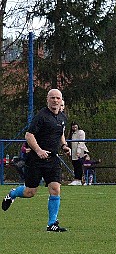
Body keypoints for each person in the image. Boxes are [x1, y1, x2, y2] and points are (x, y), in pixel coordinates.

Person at [2, 88, 71, 232]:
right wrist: (38, 151)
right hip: (36, 159)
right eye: (52, 98)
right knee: (30, 192)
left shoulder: (62, 117)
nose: (55, 100)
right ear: (47, 100)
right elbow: (29, 135)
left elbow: (60, 133)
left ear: (61, 100)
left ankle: (52, 224)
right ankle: (13, 194)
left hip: (53, 159)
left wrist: (64, 145)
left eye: (58, 98)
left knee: (55, 189)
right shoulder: (41, 116)